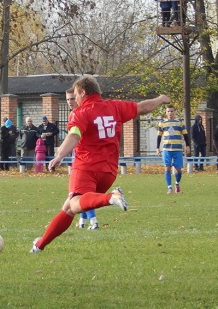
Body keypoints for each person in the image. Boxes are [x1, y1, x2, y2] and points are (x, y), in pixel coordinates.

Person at [30, 75, 171, 253]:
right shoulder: (114, 106)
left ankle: (112, 197)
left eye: (75, 95)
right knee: (68, 208)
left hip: (86, 168)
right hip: (109, 172)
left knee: (74, 204)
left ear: (83, 92)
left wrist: (59, 156)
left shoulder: (81, 113)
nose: (75, 100)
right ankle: (39, 245)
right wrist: (160, 99)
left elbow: (74, 135)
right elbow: (143, 108)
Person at [66, 88, 99, 230]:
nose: (70, 102)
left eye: (72, 98)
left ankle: (94, 221)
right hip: (79, 157)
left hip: (87, 159)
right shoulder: (73, 114)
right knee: (79, 193)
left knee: (82, 193)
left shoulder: (84, 113)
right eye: (67, 99)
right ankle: (82, 221)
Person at [156, 105, 190, 194]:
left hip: (178, 149)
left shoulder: (180, 122)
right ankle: (169, 188)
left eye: (171, 111)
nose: (170, 113)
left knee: (178, 169)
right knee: (167, 168)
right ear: (166, 112)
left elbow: (186, 135)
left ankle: (177, 183)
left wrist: (187, 146)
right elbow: (159, 136)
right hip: (166, 149)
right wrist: (157, 148)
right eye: (168, 111)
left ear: (174, 112)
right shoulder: (162, 122)